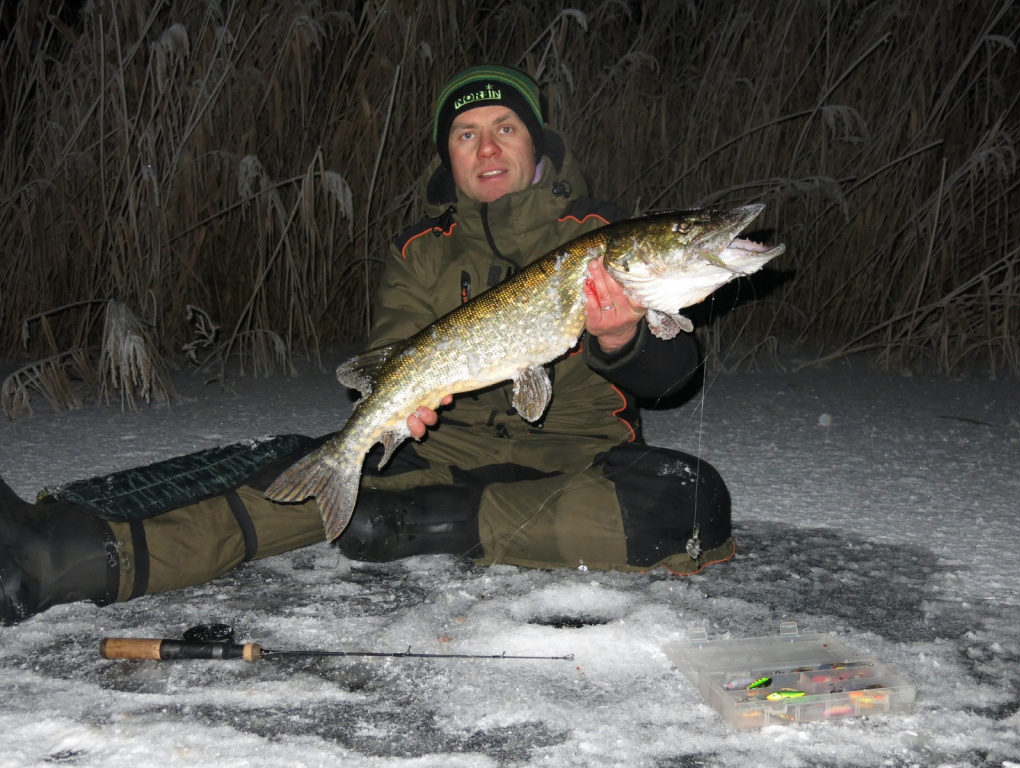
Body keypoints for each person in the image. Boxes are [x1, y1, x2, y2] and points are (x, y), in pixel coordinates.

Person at [0, 65, 733, 626]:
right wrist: (399, 414)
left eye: (505, 127)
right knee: (298, 472)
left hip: (578, 462)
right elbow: (391, 364)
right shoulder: (420, 254)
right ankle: (55, 559)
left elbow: (673, 380)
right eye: (465, 133)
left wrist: (622, 334)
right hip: (442, 457)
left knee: (693, 501)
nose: (486, 147)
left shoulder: (596, 241)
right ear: (448, 155)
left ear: (536, 142)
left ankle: (429, 522)